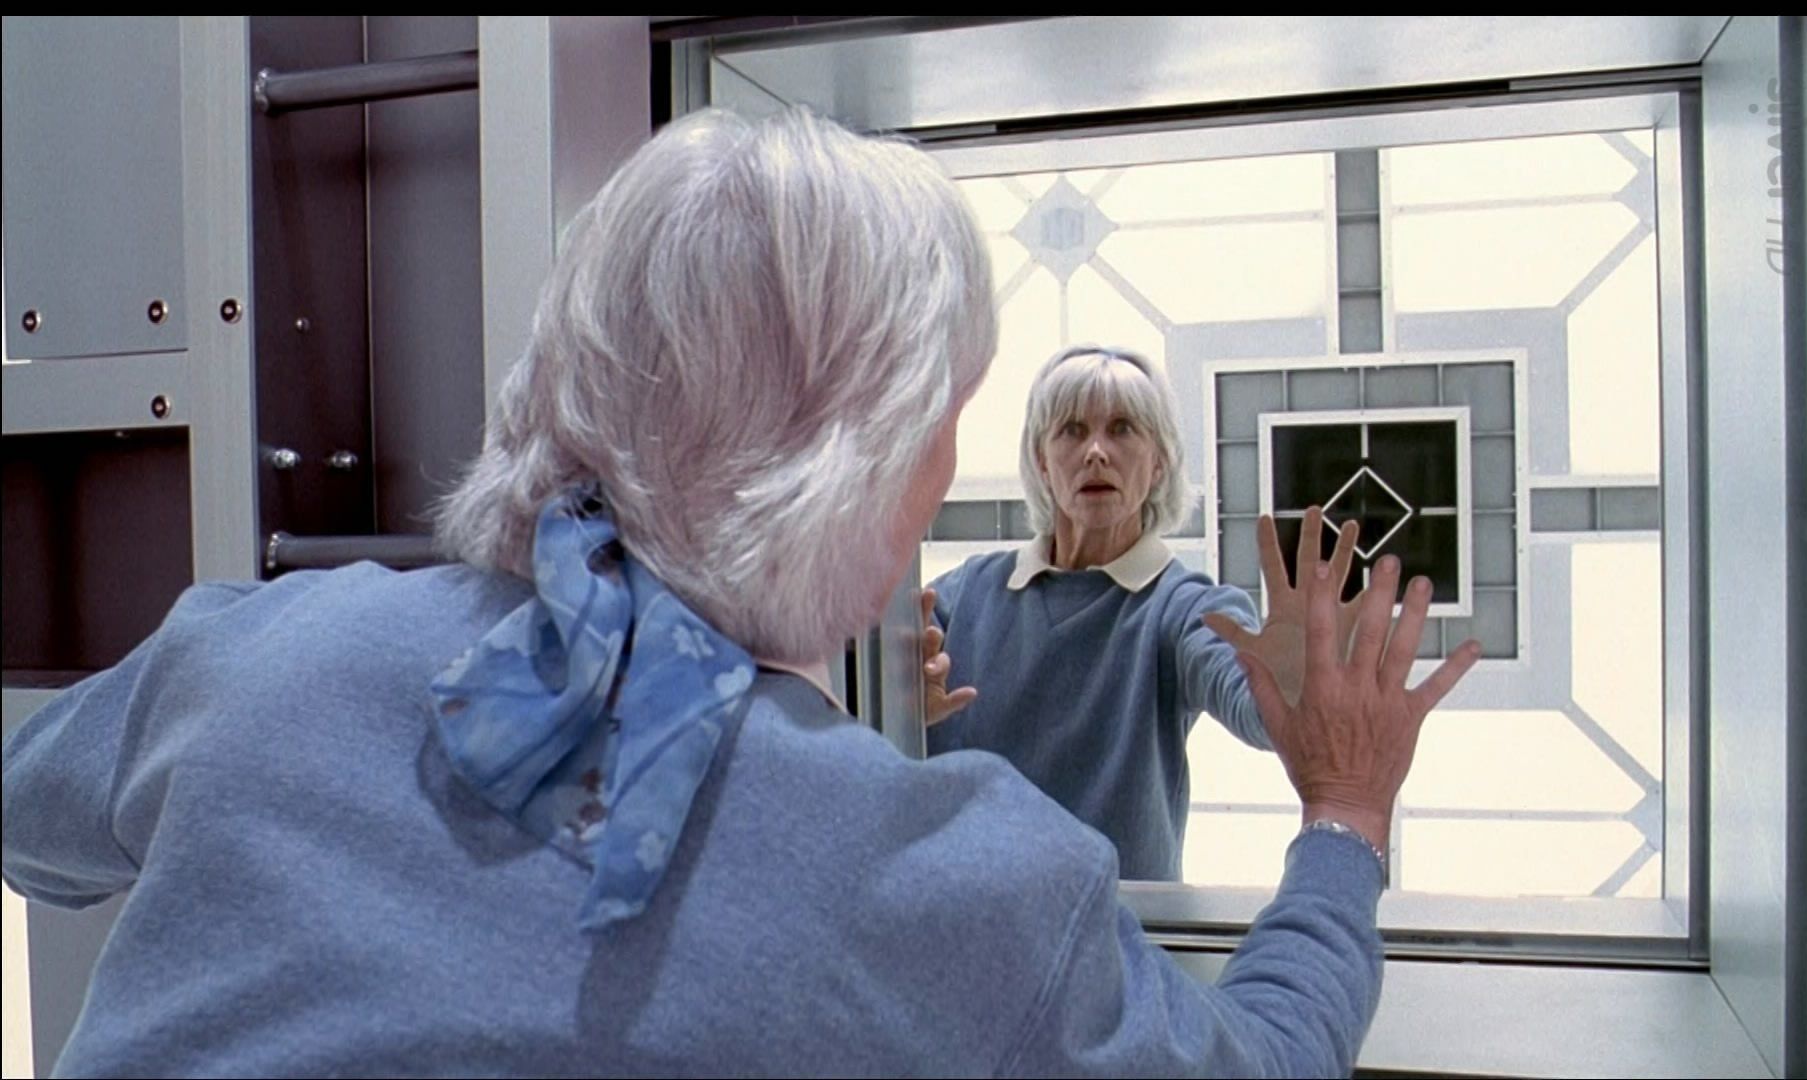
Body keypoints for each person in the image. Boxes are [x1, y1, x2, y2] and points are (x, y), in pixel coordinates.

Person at [2, 107, 1479, 1078]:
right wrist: (1346, 817)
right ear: (869, 466)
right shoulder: (966, 890)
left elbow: (30, 815)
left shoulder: (262, 651)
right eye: (952, 418)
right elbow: (1263, 1060)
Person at [922, 345, 1362, 882]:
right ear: (1041, 460)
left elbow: (1256, 712)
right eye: (1072, 431)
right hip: (963, 911)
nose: (1096, 452)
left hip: (1120, 925)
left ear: (1158, 463)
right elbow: (857, 711)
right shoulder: (966, 593)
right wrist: (899, 711)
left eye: (1123, 429)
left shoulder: (1184, 607)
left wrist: (1292, 687)